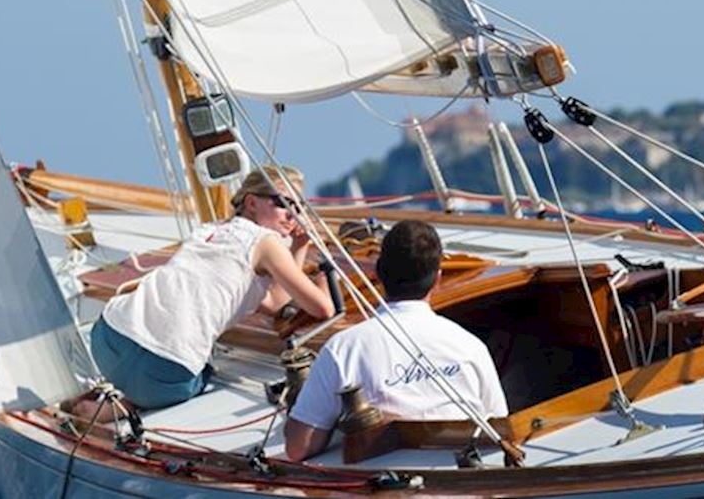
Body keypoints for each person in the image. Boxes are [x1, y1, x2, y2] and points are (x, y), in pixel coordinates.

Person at [86, 166, 334, 411]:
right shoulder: (267, 243)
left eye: (299, 208)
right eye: (285, 203)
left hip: (107, 339)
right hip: (162, 375)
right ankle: (124, 407)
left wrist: (299, 246)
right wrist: (322, 275)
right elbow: (322, 309)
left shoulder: (207, 231)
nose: (294, 215)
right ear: (251, 203)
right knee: (205, 372)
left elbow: (272, 303)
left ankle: (103, 399)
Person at [284, 220, 506, 461]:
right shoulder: (471, 346)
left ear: (378, 275)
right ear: (438, 279)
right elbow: (498, 428)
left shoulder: (343, 348)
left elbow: (297, 448)